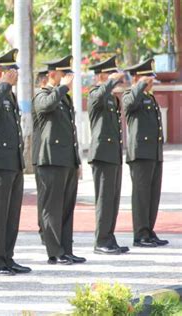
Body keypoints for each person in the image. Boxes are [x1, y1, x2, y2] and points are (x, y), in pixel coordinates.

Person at [0, 49, 31, 276]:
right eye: (11, 72)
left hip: (12, 162)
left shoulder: (8, 95)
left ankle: (7, 257)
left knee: (12, 215)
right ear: (1, 73)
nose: (15, 75)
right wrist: (3, 85)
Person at [33, 55, 86, 265]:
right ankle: (54, 251)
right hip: (50, 160)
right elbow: (46, 106)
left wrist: (76, 161)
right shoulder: (42, 94)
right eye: (65, 74)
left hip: (65, 159)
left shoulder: (63, 97)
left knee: (65, 208)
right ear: (52, 74)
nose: (68, 79)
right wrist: (62, 87)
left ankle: (66, 249)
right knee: (52, 208)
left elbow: (69, 132)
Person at [122, 58, 168, 248]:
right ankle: (140, 234)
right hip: (140, 154)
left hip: (154, 153)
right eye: (148, 78)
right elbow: (129, 105)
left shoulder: (149, 97)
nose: (151, 82)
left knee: (153, 195)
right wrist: (139, 85)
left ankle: (149, 230)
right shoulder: (130, 94)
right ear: (138, 79)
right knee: (141, 196)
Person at [87, 56, 129, 255]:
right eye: (111, 74)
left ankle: (109, 238)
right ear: (102, 75)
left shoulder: (112, 97)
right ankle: (101, 240)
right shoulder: (95, 93)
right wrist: (111, 81)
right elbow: (99, 95)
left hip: (113, 154)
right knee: (104, 199)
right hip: (102, 154)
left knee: (113, 199)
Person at [32, 68, 48, 245]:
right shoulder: (40, 97)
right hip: (42, 155)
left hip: (52, 156)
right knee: (45, 197)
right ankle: (44, 231)